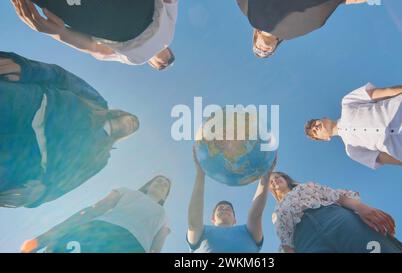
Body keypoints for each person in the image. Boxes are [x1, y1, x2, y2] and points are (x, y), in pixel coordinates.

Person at [0, 51, 139, 208]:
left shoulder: (101, 157)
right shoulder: (98, 102)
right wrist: (27, 68)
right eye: (133, 120)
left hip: (26, 161)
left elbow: (70, 182)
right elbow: (62, 78)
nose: (132, 125)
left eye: (134, 128)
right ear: (123, 114)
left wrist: (42, 194)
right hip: (31, 106)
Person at [304, 82, 402, 182]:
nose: (315, 127)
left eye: (315, 124)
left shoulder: (347, 102)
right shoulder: (351, 151)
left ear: (324, 118)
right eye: (314, 132)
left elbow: (386, 92)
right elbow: (383, 158)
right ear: (325, 139)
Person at [21, 176, 172, 253]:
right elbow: (93, 210)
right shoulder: (127, 191)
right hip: (99, 232)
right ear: (149, 184)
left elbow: (156, 249)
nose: (161, 184)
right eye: (158, 181)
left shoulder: (164, 217)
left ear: (165, 196)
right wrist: (46, 238)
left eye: (166, 185)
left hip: (134, 247)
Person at [12, 0, 178, 70]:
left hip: (102, 23)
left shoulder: (135, 59)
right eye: (169, 59)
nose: (164, 61)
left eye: (162, 66)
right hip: (138, 11)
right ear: (169, 49)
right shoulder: (167, 34)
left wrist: (59, 33)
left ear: (152, 65)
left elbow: (96, 49)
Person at [269, 172, 402, 253]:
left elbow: (336, 196)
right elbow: (286, 241)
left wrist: (361, 207)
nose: (274, 180)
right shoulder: (276, 213)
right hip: (306, 243)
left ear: (285, 178)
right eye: (271, 181)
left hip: (337, 220)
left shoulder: (305, 186)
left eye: (277, 177)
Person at [187, 148, 276, 253]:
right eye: (220, 208)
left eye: (228, 209)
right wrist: (200, 174)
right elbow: (193, 221)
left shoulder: (248, 231)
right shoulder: (202, 231)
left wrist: (266, 178)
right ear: (212, 218)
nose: (224, 209)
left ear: (235, 220)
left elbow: (255, 215)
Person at [236, 0, 369, 58]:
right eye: (266, 53)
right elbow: (318, 14)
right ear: (275, 45)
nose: (263, 50)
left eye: (258, 49)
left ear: (255, 38)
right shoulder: (293, 32)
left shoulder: (248, 10)